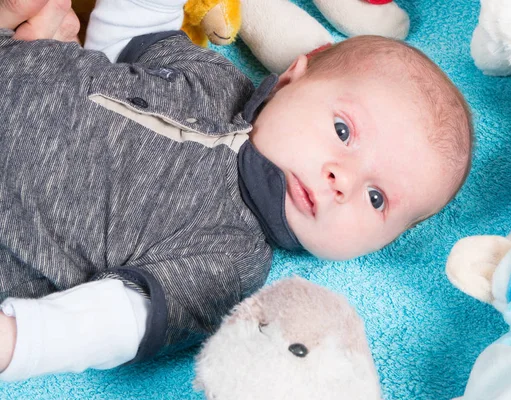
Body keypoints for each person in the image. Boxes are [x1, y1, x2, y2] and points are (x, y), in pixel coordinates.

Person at [0, 0, 473, 380]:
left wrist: (18, 339)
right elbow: (124, 36)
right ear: (292, 77)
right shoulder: (216, 80)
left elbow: (121, 319)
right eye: (343, 131)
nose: (342, 180)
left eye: (377, 198)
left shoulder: (232, 260)